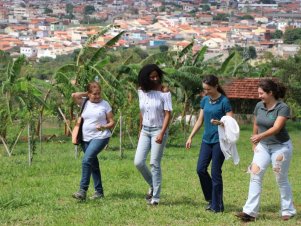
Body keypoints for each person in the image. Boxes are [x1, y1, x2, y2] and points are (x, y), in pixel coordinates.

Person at [235, 79, 296, 222]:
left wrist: (259, 136)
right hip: (262, 146)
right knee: (255, 175)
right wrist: (254, 144)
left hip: (281, 147)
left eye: (261, 93)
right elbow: (256, 123)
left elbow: (276, 128)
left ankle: (288, 210)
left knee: (281, 178)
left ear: (271, 93)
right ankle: (249, 212)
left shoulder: (283, 107)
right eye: (258, 93)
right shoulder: (259, 106)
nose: (259, 96)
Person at [186, 75, 233, 213]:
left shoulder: (224, 101)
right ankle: (211, 199)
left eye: (208, 89)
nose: (205, 92)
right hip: (206, 140)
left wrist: (220, 123)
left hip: (220, 141)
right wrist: (190, 137)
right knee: (200, 169)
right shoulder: (205, 100)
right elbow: (200, 121)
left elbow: (231, 121)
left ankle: (217, 206)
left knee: (215, 172)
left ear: (216, 86)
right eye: (204, 89)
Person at [134, 64, 172, 206]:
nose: (155, 79)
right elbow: (142, 113)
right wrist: (140, 130)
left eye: (157, 76)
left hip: (158, 130)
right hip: (145, 130)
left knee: (154, 163)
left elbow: (168, 114)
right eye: (151, 77)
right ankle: (152, 184)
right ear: (145, 78)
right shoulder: (141, 92)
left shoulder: (164, 92)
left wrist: (162, 132)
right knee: (138, 162)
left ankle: (155, 197)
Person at [71, 81, 114, 200]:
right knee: (93, 164)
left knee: (86, 160)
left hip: (101, 136)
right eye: (94, 94)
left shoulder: (105, 104)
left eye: (99, 93)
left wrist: (104, 126)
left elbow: (111, 121)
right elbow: (74, 95)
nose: (97, 96)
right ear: (89, 94)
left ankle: (82, 190)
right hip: (85, 138)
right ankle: (99, 192)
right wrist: (87, 93)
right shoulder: (84, 102)